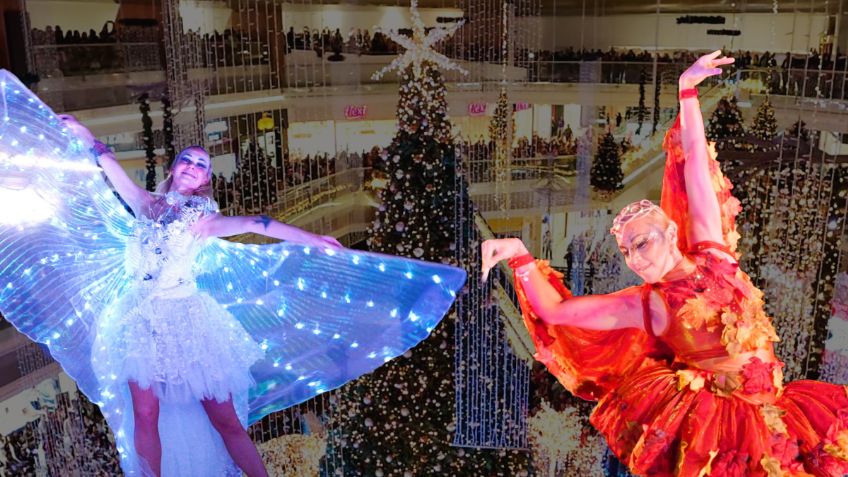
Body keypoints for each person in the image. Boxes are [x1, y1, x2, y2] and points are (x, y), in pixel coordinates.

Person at [0, 70, 465, 477]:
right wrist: (86, 137)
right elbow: (110, 170)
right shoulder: (147, 206)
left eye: (201, 165)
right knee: (145, 412)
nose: (192, 167)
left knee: (222, 416)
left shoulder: (201, 220)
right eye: (188, 159)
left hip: (186, 321)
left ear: (204, 181)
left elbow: (254, 225)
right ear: (176, 168)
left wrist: (313, 239)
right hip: (141, 320)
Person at [481, 51, 848, 476]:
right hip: (727, 429)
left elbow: (695, 161)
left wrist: (687, 91)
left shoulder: (715, 253)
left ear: (671, 233)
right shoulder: (648, 304)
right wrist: (521, 257)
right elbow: (557, 312)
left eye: (641, 243)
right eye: (626, 251)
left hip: (785, 412)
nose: (635, 258)